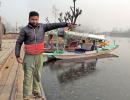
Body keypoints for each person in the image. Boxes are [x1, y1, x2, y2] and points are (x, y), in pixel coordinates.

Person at [15, 11, 73, 100]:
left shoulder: (42, 27)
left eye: (36, 19)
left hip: (39, 56)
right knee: (27, 77)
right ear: (29, 19)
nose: (34, 21)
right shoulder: (24, 30)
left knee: (37, 75)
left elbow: (54, 25)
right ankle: (26, 96)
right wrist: (17, 55)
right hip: (29, 57)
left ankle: (36, 93)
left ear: (38, 19)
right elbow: (18, 43)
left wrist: (66, 23)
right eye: (32, 19)